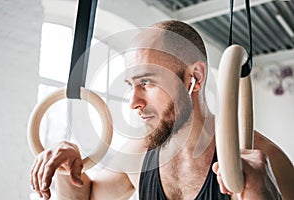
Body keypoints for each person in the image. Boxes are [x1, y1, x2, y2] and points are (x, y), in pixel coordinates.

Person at [30, 20, 294, 200]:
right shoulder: (139, 154)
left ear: (195, 78)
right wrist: (67, 166)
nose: (133, 102)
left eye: (146, 82)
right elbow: (86, 196)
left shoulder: (266, 161)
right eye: (131, 85)